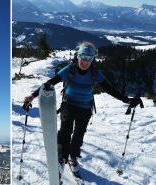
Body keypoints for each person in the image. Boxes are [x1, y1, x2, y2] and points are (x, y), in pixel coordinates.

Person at [24, 41, 141, 173]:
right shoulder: (70, 69)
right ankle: (61, 158)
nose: (85, 61)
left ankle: (73, 157)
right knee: (65, 131)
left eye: (89, 58)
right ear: (78, 56)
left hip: (85, 108)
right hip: (69, 104)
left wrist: (126, 99)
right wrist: (32, 96)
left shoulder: (95, 72)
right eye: (83, 57)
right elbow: (49, 83)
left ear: (92, 60)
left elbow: (109, 89)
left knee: (79, 134)